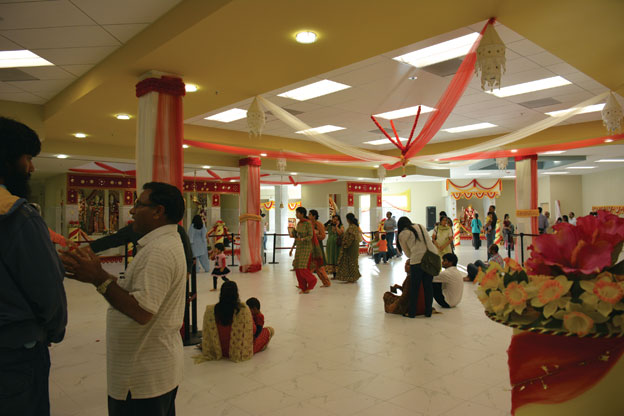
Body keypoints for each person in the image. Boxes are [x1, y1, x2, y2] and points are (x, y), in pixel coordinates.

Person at [61, 182, 187, 416]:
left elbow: (142, 311)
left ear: (158, 211)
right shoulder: (160, 244)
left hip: (143, 378)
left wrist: (99, 278)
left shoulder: (159, 251)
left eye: (139, 204)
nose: (132, 211)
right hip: (150, 370)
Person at [0, 117, 68, 416]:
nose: (31, 168)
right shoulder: (17, 216)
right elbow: (47, 291)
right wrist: (53, 330)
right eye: (27, 158)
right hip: (14, 352)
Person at [197, 281, 273, 363]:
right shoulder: (243, 310)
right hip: (239, 350)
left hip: (218, 348)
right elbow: (252, 331)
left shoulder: (211, 310)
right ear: (236, 294)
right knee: (269, 330)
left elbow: (207, 333)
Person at [396, 216, 438, 317]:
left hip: (417, 261)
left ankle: (412, 312)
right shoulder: (420, 226)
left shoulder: (403, 234)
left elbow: (407, 253)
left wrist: (414, 256)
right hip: (430, 259)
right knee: (428, 286)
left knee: (415, 287)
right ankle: (428, 312)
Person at [291, 206, 319, 293]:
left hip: (306, 248)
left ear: (302, 214)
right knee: (297, 267)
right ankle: (302, 286)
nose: (296, 214)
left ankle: (312, 281)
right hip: (299, 247)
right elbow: (297, 236)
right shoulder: (299, 223)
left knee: (302, 267)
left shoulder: (308, 223)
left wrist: (303, 239)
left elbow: (310, 235)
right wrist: (292, 248)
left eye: (297, 213)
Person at [336, 213, 362, 283]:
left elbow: (351, 237)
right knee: (353, 261)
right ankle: (353, 277)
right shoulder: (354, 226)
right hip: (353, 246)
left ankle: (352, 277)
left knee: (351, 262)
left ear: (348, 219)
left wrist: (345, 245)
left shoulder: (352, 227)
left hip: (351, 247)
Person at [308, 209, 331, 287]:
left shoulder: (319, 224)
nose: (308, 216)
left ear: (314, 216)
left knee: (319, 266)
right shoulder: (308, 224)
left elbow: (323, 236)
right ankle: (304, 284)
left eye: (310, 214)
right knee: (308, 267)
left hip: (317, 246)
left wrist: (315, 235)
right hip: (309, 247)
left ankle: (326, 282)